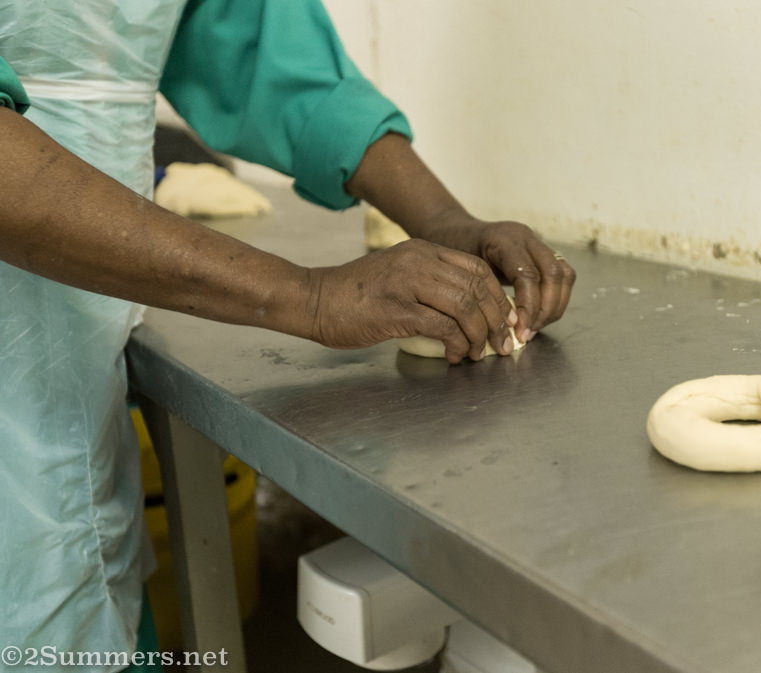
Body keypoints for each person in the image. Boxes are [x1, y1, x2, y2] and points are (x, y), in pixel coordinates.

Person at [0, 1, 575, 671]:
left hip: (74, 351)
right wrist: (309, 294)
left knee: (74, 584)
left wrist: (442, 217)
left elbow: (258, 43)